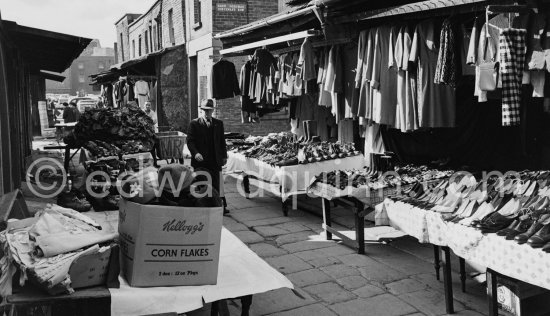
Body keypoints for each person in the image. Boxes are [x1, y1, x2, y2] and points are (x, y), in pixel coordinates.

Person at [187, 99, 228, 214]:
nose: (207, 113)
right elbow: (190, 141)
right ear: (201, 110)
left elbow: (221, 141)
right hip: (200, 161)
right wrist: (196, 153)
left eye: (209, 111)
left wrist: (224, 156)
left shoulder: (218, 123)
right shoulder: (194, 123)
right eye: (205, 110)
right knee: (201, 183)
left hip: (215, 160)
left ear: (213, 111)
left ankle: (221, 207)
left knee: (217, 184)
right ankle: (202, 206)